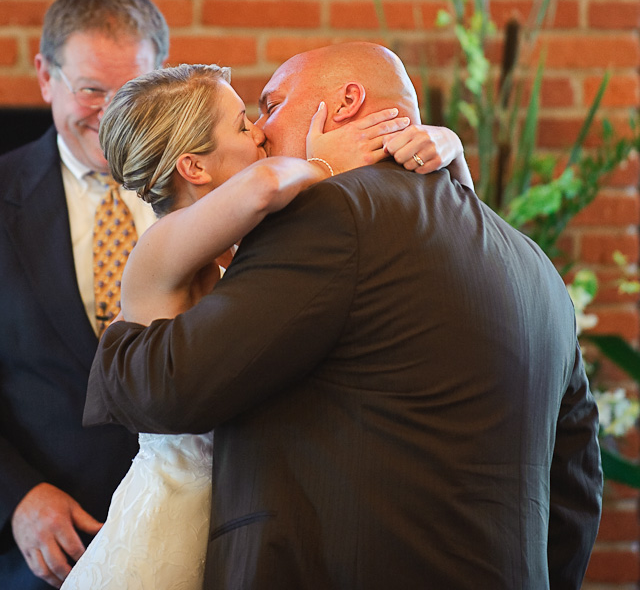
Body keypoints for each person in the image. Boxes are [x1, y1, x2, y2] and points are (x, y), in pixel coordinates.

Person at [84, 41, 602, 589]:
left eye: (272, 105)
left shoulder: (332, 215)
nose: (262, 130)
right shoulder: (534, 265)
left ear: (348, 101)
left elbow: (169, 387)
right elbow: (575, 481)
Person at [62, 62, 463, 589]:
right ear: (193, 167)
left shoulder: (254, 243)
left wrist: (449, 147)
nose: (261, 132)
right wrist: (323, 162)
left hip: (249, 513)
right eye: (241, 124)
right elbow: (266, 184)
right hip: (176, 513)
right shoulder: (161, 247)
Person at [0, 0, 169, 589]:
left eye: (132, 92)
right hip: (46, 552)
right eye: (92, 89)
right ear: (46, 77)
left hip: (194, 538)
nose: (112, 113)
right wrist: (16, 498)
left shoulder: (211, 190)